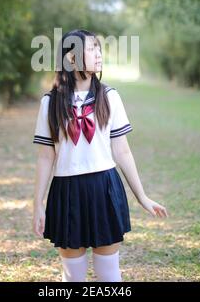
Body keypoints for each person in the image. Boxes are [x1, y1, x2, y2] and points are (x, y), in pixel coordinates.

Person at [32, 29, 168, 282]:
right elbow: (45, 157)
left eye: (98, 48)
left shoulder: (109, 97)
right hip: (66, 190)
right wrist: (37, 204)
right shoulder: (50, 103)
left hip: (104, 187)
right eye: (91, 49)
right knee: (73, 277)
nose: (98, 54)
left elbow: (122, 151)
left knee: (108, 274)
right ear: (71, 59)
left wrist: (142, 196)